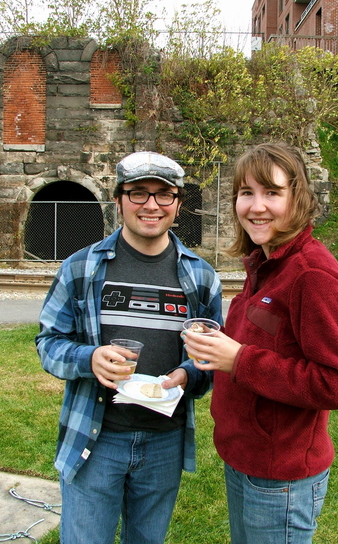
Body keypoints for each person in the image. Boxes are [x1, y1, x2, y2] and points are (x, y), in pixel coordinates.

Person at [182, 143, 338, 544]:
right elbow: (264, 342)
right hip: (245, 461)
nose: (256, 206)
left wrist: (240, 360)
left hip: (280, 479)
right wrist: (219, 349)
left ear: (297, 197)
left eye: (271, 192)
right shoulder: (266, 261)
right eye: (246, 193)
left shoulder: (311, 274)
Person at [36, 151, 222, 544]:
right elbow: (48, 344)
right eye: (138, 193)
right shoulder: (80, 268)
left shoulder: (202, 278)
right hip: (95, 437)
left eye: (163, 194)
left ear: (178, 204)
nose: (151, 205)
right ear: (118, 200)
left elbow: (211, 361)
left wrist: (188, 374)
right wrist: (90, 359)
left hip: (164, 442)